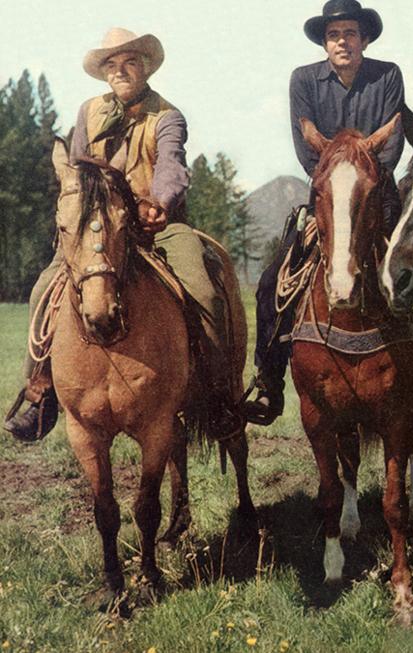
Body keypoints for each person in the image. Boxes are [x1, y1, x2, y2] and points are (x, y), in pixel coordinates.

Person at [4, 28, 243, 441]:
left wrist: (160, 202)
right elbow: (77, 170)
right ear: (104, 73)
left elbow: (171, 165)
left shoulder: (167, 116)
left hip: (156, 226)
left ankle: (216, 393)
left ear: (145, 67)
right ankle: (41, 393)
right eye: (112, 65)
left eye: (130, 62)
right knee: (44, 287)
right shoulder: (89, 111)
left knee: (203, 291)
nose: (120, 71)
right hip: (99, 226)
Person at [242, 0, 413, 425]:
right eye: (333, 35)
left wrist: (364, 183)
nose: (342, 41)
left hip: (378, 197)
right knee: (274, 279)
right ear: (324, 43)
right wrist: (335, 185)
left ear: (364, 39)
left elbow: (392, 144)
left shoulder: (387, 76)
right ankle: (268, 382)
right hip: (328, 199)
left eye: (349, 33)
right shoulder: (303, 80)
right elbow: (306, 149)